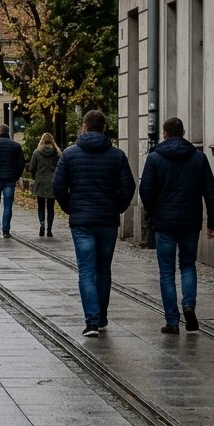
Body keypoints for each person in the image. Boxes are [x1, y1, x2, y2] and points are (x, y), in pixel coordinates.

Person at [52, 110, 136, 337]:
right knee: (104, 269)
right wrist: (117, 207)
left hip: (82, 221)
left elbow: (58, 186)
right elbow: (128, 187)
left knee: (86, 270)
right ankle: (101, 316)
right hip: (107, 220)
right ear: (104, 128)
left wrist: (70, 207)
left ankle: (91, 321)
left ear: (84, 127)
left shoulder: (69, 154)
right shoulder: (117, 155)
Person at [139, 117, 214, 334]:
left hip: (164, 222)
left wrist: (152, 212)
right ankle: (189, 305)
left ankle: (172, 322)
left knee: (166, 272)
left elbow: (145, 190)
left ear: (164, 133)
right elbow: (210, 193)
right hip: (190, 221)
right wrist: (213, 223)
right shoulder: (199, 158)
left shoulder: (155, 158)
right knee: (188, 265)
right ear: (183, 133)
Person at [29, 133, 61, 237]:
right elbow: (60, 167)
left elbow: (32, 168)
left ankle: (42, 224)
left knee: (41, 206)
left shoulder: (37, 152)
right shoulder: (57, 152)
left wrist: (35, 177)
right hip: (52, 181)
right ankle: (49, 229)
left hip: (40, 181)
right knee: (51, 207)